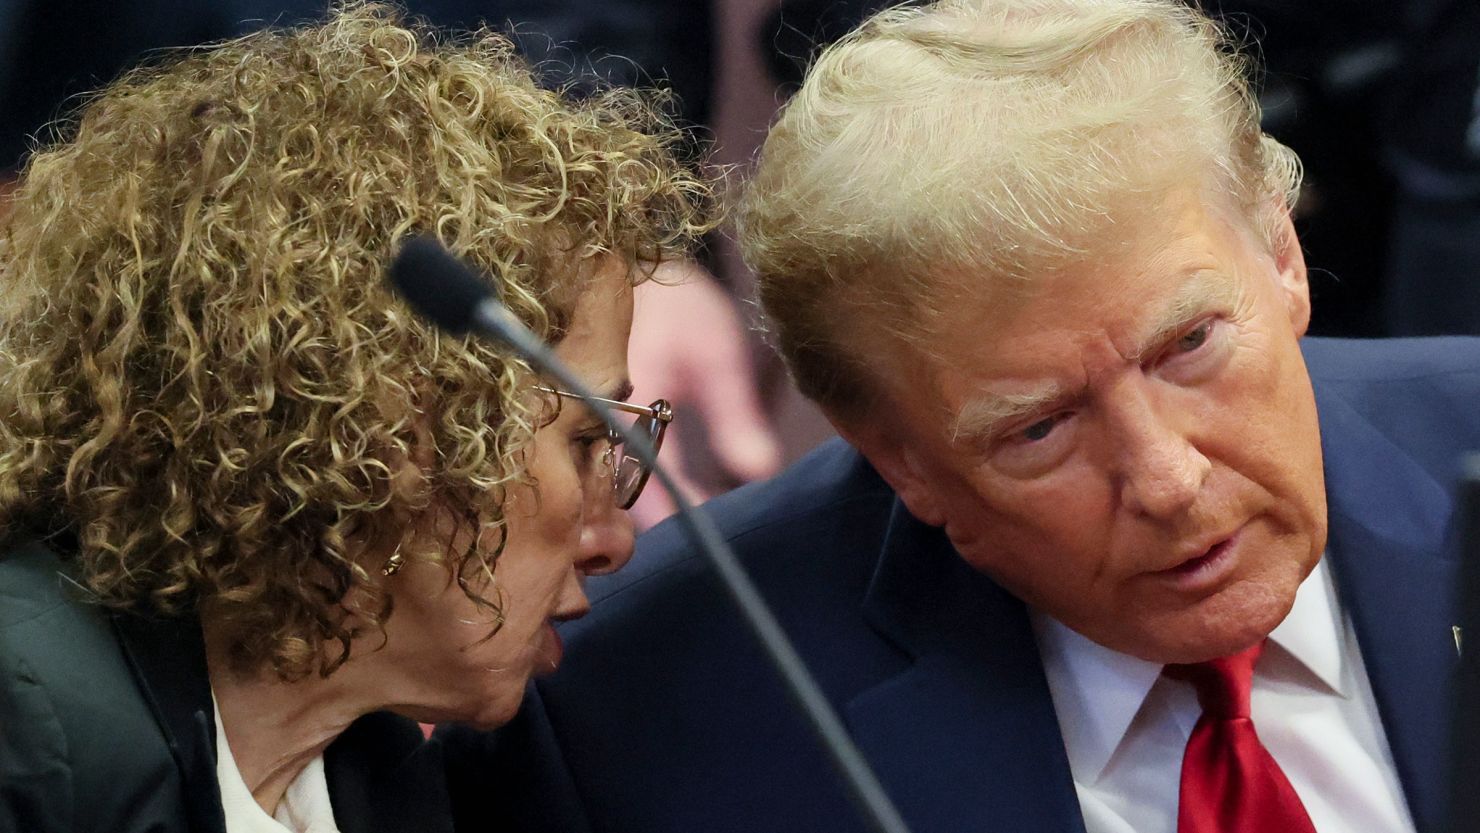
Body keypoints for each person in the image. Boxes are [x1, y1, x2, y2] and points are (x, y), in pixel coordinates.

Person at [454, 1, 1480, 832]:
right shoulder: (641, 719)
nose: (1167, 479)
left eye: (1189, 346)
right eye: (1038, 428)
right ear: (900, 458)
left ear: (1282, 258)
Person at [0, 4, 709, 832]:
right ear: (385, 435)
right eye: (588, 438)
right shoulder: (28, 730)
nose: (615, 539)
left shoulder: (383, 776)